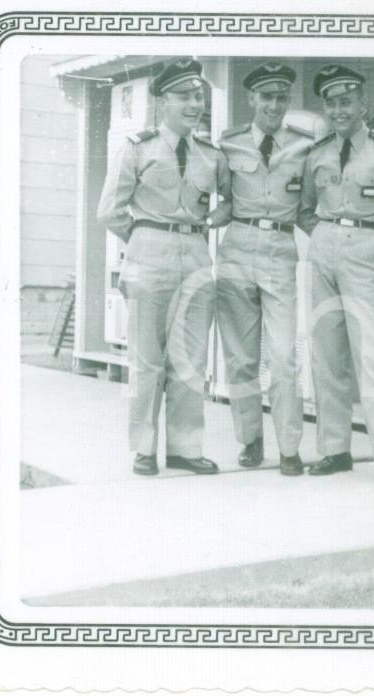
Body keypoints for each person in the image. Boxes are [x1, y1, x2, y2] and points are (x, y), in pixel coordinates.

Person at [97, 57, 231, 477]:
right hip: (149, 251)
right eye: (185, 97)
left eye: (198, 96)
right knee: (147, 360)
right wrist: (144, 237)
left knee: (190, 360)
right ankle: (143, 448)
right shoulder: (138, 147)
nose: (194, 104)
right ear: (162, 102)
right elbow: (110, 211)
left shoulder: (211, 154)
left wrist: (212, 219)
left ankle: (185, 448)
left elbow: (230, 200)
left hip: (195, 254)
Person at [298, 64, 374, 488]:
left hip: (367, 248)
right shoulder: (316, 154)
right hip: (324, 247)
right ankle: (334, 449)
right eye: (331, 104)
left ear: (362, 104)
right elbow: (304, 208)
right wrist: (326, 238)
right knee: (326, 353)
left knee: (373, 354)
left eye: (346, 102)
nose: (338, 110)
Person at [215, 62, 325, 474]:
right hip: (237, 251)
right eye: (267, 97)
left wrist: (336, 245)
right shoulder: (229, 146)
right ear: (251, 100)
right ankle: (250, 439)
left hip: (280, 251)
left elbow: (309, 211)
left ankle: (290, 447)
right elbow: (221, 200)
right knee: (241, 359)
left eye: (281, 98)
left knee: (283, 357)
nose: (274, 105)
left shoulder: (305, 148)